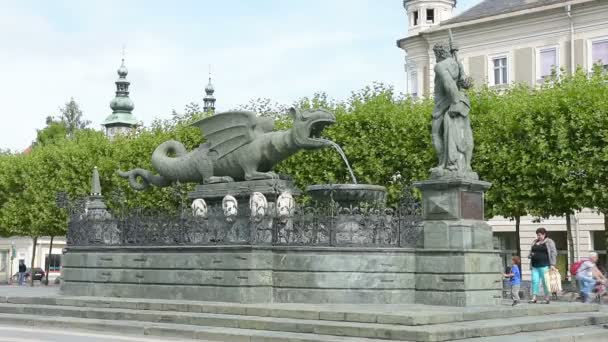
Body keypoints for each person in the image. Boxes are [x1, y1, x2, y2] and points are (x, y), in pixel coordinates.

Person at [528, 228, 557, 304]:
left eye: (540, 235)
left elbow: (553, 253)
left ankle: (547, 297)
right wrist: (530, 255)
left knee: (545, 282)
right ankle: (534, 297)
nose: (538, 236)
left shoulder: (549, 242)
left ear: (544, 234)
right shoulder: (535, 242)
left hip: (544, 265)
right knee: (535, 281)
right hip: (534, 265)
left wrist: (552, 264)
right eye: (537, 235)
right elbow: (531, 251)